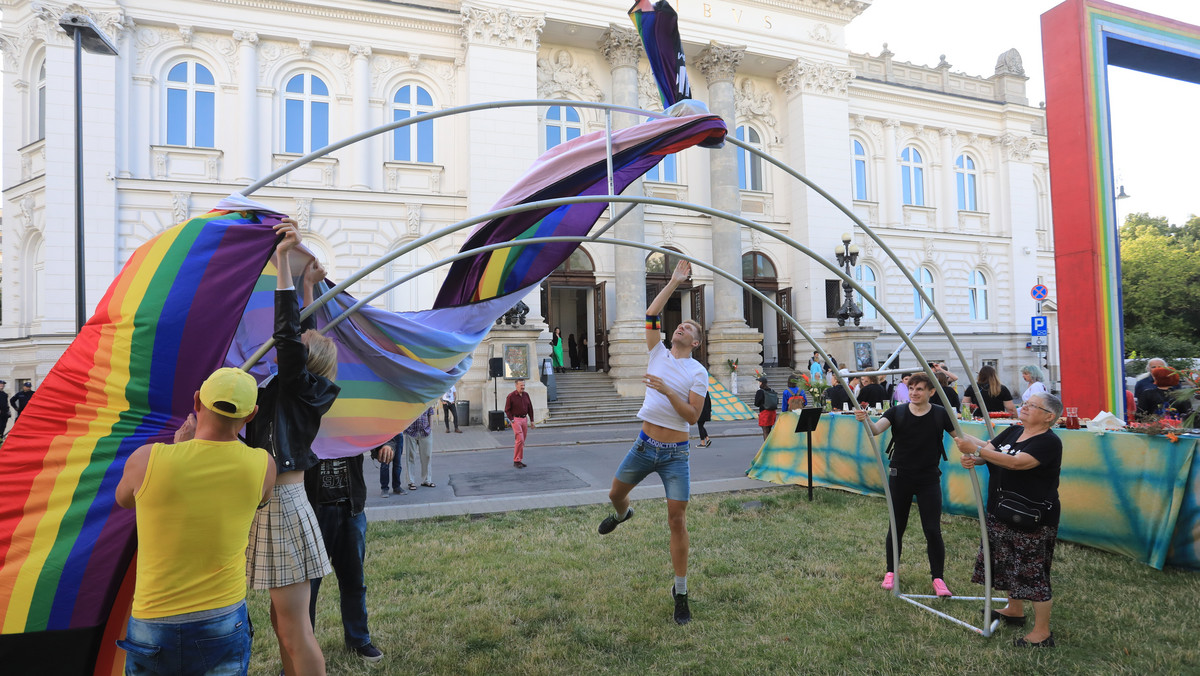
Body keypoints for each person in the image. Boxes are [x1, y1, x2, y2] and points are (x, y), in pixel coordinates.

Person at [114, 367, 276, 675]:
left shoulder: (146, 460)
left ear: (197, 401)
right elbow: (261, 499)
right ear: (252, 414)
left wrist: (179, 448)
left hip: (154, 621)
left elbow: (123, 499)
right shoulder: (262, 466)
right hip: (222, 619)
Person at [244, 219, 341, 676]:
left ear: (306, 360)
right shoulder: (300, 387)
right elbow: (300, 336)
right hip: (274, 505)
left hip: (282, 505)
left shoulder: (298, 386)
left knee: (294, 629)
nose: (291, 346)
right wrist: (308, 289)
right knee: (281, 626)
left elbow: (289, 335)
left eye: (300, 347)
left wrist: (283, 259)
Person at [597, 260, 706, 626]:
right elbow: (651, 313)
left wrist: (665, 390)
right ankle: (622, 514)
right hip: (645, 445)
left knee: (677, 520)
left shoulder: (698, 372)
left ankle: (681, 591)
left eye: (688, 327)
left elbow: (692, 416)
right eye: (679, 324)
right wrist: (675, 281)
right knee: (614, 493)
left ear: (696, 341)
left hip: (676, 454)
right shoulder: (656, 351)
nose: (680, 327)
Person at [956, 392, 1064, 648]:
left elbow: (1016, 463)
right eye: (1024, 403)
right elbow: (990, 452)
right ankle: (1014, 610)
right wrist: (973, 456)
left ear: (1049, 417)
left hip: (1031, 517)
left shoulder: (1049, 442)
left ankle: (1042, 633)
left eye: (1031, 405)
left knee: (1032, 572)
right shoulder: (1014, 431)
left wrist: (978, 450)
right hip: (1001, 510)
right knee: (1005, 563)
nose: (1023, 407)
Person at [854, 373, 957, 598]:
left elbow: (960, 437)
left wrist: (985, 448)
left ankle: (938, 578)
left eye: (920, 389)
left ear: (931, 392)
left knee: (932, 529)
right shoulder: (897, 411)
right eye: (911, 388)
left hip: (929, 478)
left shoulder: (940, 414)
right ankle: (891, 571)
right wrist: (865, 420)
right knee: (896, 526)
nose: (914, 393)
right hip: (900, 476)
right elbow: (875, 430)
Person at [306, 446, 386, 663]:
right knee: (306, 590)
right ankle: (302, 651)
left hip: (351, 510)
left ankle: (359, 640)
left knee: (354, 581)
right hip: (313, 513)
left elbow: (374, 432)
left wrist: (387, 446)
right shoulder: (306, 414)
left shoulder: (351, 414)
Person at [403, 406, 436, 489]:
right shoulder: (409, 401)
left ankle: (427, 480)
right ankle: (411, 481)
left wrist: (430, 429)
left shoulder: (426, 398)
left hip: (425, 432)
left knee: (427, 456)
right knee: (410, 457)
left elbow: (430, 413)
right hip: (411, 432)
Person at [505, 379, 535, 468]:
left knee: (522, 441)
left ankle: (519, 460)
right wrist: (511, 419)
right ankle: (516, 460)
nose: (523, 387)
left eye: (523, 385)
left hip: (524, 419)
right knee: (520, 440)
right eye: (521, 385)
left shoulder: (526, 395)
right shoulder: (511, 396)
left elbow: (530, 407)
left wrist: (532, 420)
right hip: (516, 419)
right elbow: (507, 409)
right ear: (516, 386)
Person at [375, 433, 403, 498]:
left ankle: (397, 487)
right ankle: (384, 488)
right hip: (386, 434)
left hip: (398, 434)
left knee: (397, 464)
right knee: (385, 463)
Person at [754, 375, 778, 439]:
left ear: (761, 383)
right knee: (769, 430)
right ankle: (770, 445)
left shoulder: (760, 391)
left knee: (765, 430)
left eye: (759, 382)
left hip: (764, 412)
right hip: (772, 412)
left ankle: (766, 447)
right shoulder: (772, 390)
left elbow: (756, 403)